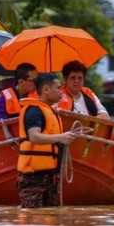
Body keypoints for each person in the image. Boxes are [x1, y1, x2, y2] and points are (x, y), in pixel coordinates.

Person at [16, 73, 77, 208]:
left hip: (51, 176)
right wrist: (60, 137)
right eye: (58, 88)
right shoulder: (34, 111)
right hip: (33, 177)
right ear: (46, 90)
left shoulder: (51, 112)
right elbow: (34, 136)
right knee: (32, 217)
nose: (61, 92)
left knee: (50, 218)